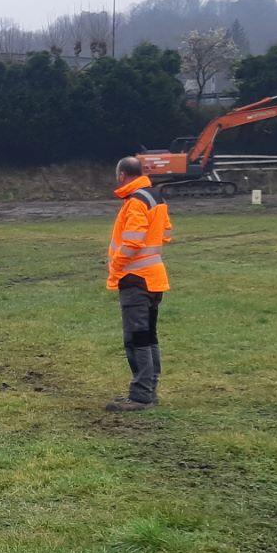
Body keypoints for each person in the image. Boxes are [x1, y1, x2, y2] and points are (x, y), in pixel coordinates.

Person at [105, 155, 172, 410]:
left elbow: (132, 241)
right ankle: (149, 389)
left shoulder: (135, 202)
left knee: (137, 338)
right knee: (148, 336)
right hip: (154, 277)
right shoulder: (156, 197)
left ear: (122, 175)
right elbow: (165, 233)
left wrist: (116, 265)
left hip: (136, 280)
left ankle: (141, 395)